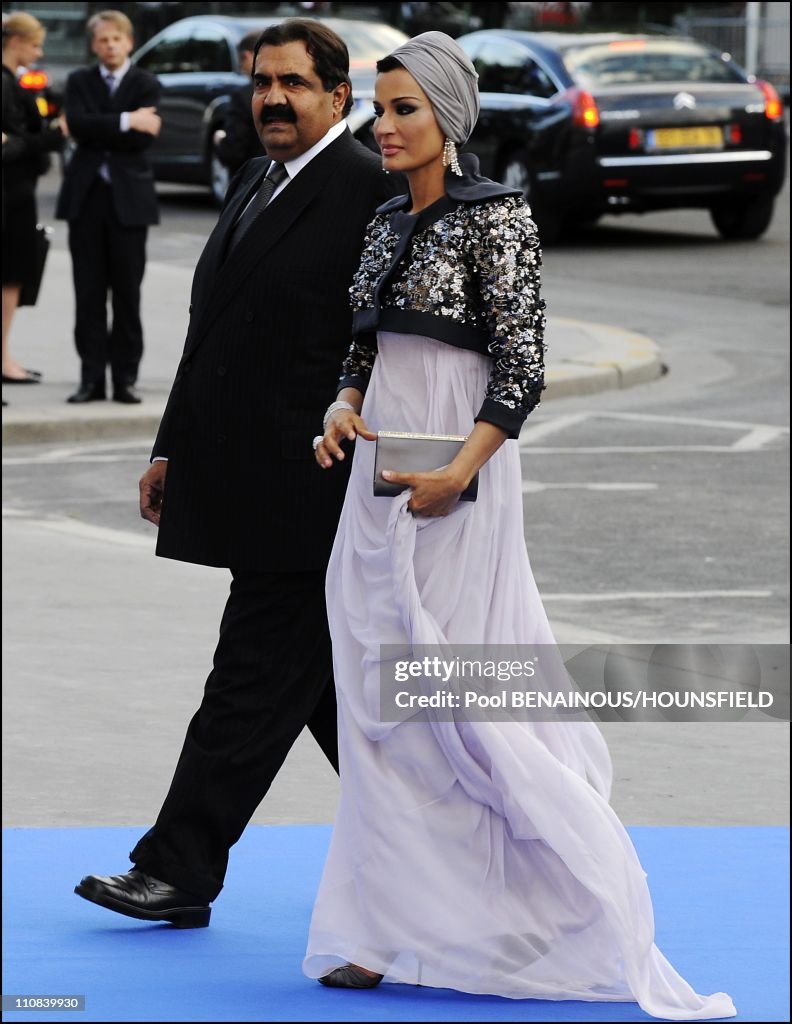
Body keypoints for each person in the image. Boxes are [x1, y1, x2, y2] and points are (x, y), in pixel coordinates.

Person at [304, 32, 737, 1021]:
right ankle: (381, 923)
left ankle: (551, 898)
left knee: (458, 703)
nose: (386, 125)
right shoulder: (379, 221)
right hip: (378, 482)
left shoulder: (495, 214)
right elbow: (360, 349)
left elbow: (523, 360)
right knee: (375, 710)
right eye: (380, 108)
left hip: (464, 481)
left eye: (405, 108)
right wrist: (341, 406)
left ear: (448, 116)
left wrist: (460, 470)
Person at [74, 19, 400, 928]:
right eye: (261, 83)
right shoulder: (258, 178)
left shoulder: (369, 194)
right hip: (249, 481)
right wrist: (171, 446)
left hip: (311, 494)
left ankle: (177, 870)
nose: (271, 100)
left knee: (249, 686)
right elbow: (215, 327)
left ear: (340, 96)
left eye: (292, 84)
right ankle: (462, 845)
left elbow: (379, 351)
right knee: (345, 710)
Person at [56, 9, 161, 405]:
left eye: (116, 39)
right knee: (88, 295)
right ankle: (91, 379)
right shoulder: (80, 80)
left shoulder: (145, 82)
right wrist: (124, 121)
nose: (110, 45)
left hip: (129, 203)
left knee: (127, 295)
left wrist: (105, 127)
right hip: (86, 201)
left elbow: (142, 139)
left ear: (129, 42)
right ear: (94, 45)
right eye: (102, 40)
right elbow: (78, 125)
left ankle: (125, 379)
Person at [2, 12, 63, 391]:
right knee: (8, 279)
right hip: (10, 196)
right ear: (16, 42)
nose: (39, 52)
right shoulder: (5, 83)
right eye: (35, 44)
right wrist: (49, 138)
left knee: (11, 280)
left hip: (15, 194)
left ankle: (4, 357)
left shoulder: (14, 83)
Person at [212, 31, 264, 178]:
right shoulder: (294, 93)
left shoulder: (243, 96)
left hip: (250, 179)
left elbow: (233, 150)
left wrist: (220, 140)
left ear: (247, 56)